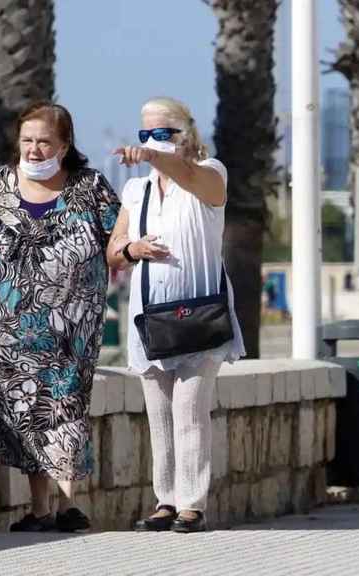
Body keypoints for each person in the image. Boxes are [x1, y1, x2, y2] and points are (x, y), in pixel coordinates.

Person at [0, 102, 121, 532]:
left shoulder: (89, 186)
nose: (35, 150)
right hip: (4, 331)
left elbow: (120, 234)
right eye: (27, 141)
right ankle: (42, 509)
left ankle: (66, 506)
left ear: (65, 145)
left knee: (64, 409)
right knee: (26, 415)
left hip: (69, 331)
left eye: (44, 142)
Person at [107, 97, 244, 533]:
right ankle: (164, 501)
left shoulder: (211, 174)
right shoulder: (137, 190)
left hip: (202, 315)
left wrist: (153, 156)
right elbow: (114, 250)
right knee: (160, 416)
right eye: (145, 134)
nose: (152, 142)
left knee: (189, 409)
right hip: (152, 319)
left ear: (186, 132)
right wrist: (134, 249)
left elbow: (188, 174)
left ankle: (192, 503)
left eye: (163, 133)